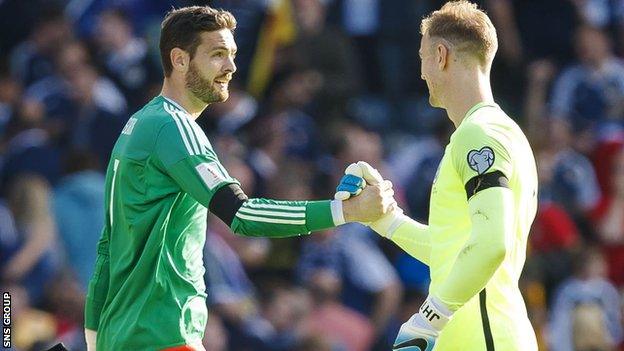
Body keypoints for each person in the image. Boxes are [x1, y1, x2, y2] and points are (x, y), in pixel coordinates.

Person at [83, 6, 395, 351]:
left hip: (126, 336)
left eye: (232, 55)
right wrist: (346, 212)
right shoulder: (174, 127)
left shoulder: (138, 124)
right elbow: (242, 215)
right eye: (218, 55)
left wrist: (95, 339)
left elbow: (107, 248)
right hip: (163, 334)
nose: (231, 67)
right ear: (180, 59)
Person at [337, 1, 539, 350]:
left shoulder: (480, 135)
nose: (421, 72)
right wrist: (385, 220)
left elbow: (492, 244)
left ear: (441, 55)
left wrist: (429, 317)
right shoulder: (494, 132)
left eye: (422, 57)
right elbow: (456, 250)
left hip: (484, 339)